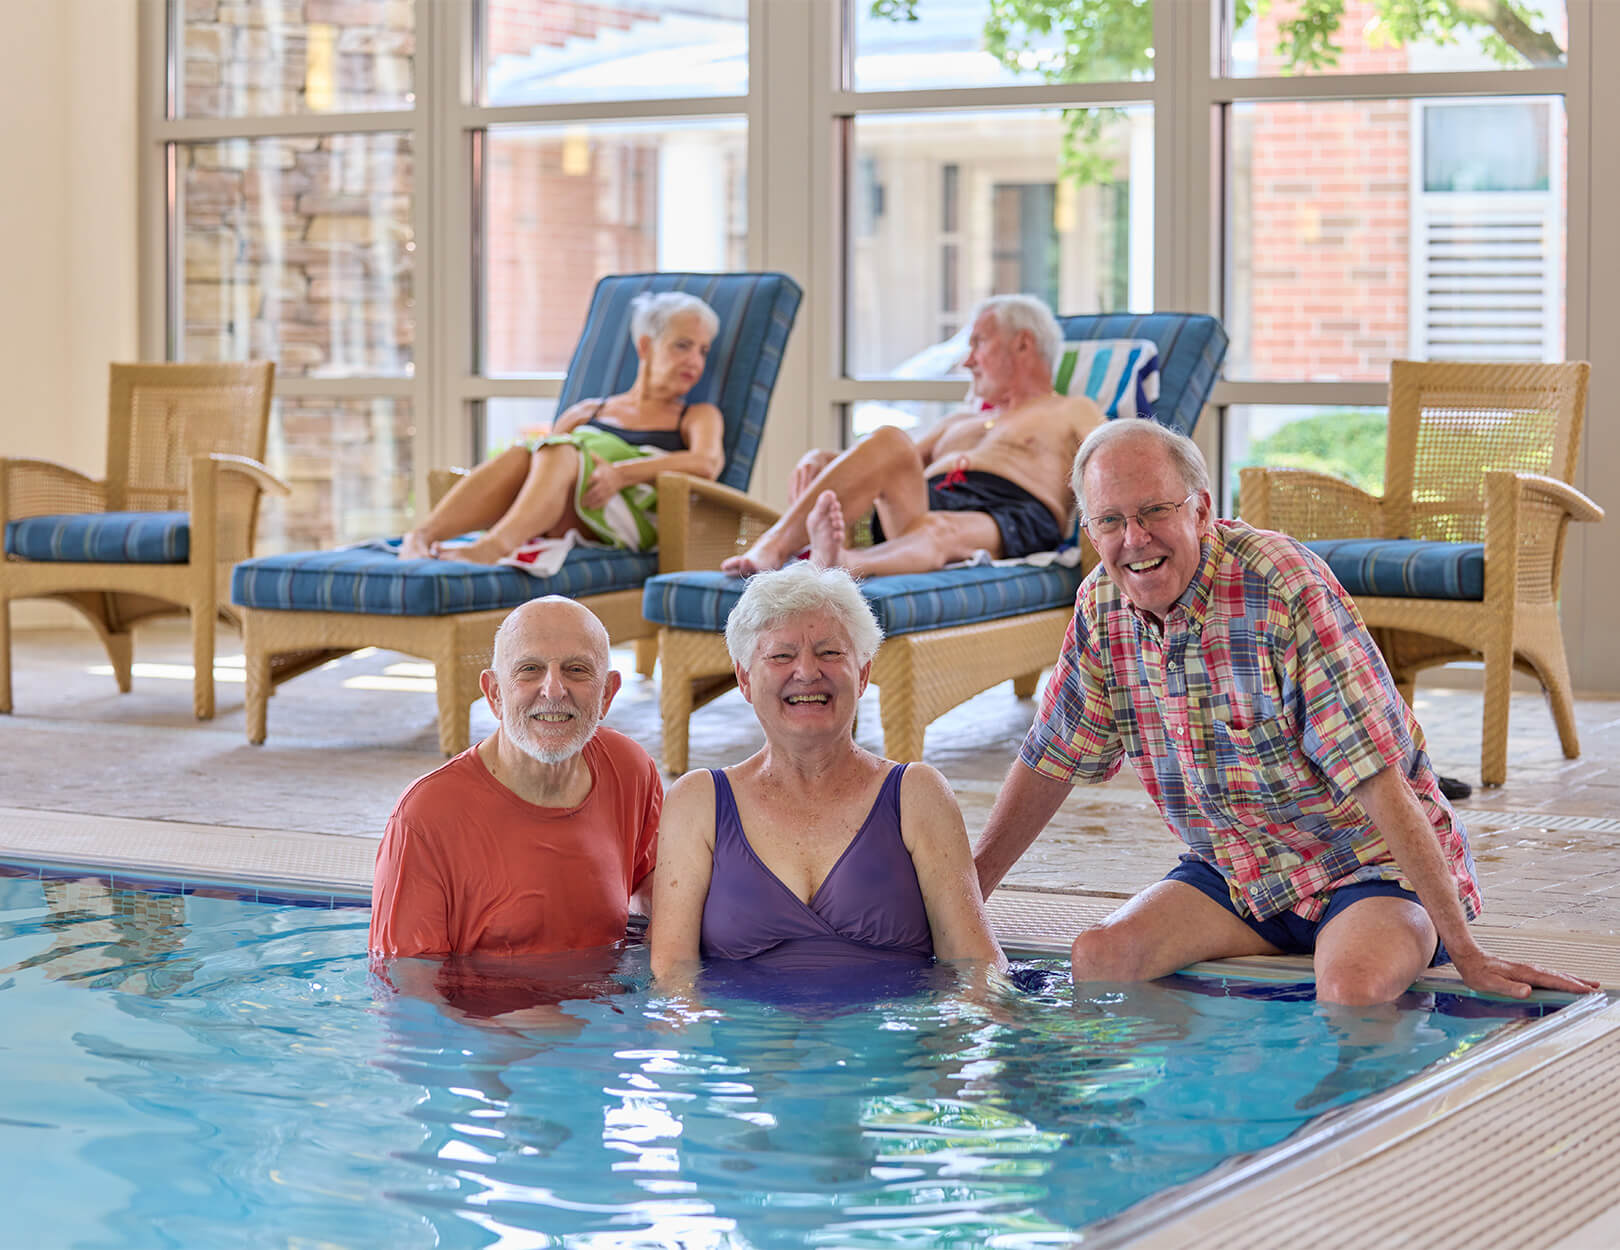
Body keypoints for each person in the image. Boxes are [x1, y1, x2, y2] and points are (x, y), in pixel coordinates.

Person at [972, 419, 1600, 1006]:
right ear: (1091, 531)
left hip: (1363, 869)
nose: (1134, 539)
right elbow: (1050, 761)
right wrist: (963, 903)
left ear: (1200, 508)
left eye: (1154, 511)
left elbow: (1378, 778)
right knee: (1100, 959)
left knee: (1353, 992)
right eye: (1110, 520)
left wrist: (1467, 951)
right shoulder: (1101, 609)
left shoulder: (1280, 587)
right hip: (1238, 874)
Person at [650, 563, 1006, 983]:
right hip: (748, 1042)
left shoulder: (917, 794)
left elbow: (975, 964)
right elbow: (673, 977)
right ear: (744, 679)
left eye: (830, 652)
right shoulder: (698, 801)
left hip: (887, 1040)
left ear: (863, 674)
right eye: (781, 655)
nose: (806, 672)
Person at [720, 295, 1103, 579]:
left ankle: (846, 564)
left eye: (978, 343)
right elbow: (888, 459)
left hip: (1011, 510)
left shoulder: (1071, 408)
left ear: (1022, 343)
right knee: (889, 439)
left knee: (940, 530)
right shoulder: (962, 419)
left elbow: (1107, 462)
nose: (967, 361)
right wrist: (824, 459)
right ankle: (776, 546)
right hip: (923, 508)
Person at [370, 596, 661, 959]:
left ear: (607, 694)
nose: (554, 689)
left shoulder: (630, 769)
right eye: (530, 669)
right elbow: (406, 993)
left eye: (576, 669)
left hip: (607, 1009)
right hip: (481, 1015)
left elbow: (650, 883)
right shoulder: (426, 817)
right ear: (494, 693)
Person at [401, 291, 726, 563]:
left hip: (629, 518)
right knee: (524, 453)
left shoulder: (696, 416)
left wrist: (620, 473)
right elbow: (541, 468)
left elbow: (707, 463)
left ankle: (494, 546)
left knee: (558, 448)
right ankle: (421, 536)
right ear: (645, 347)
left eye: (703, 351)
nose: (695, 361)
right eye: (682, 346)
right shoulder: (587, 411)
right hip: (562, 510)